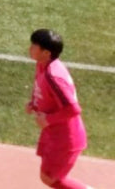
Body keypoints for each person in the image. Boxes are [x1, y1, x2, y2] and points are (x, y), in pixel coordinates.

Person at [26, 29, 88, 189]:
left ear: (46, 52)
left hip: (65, 137)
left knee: (50, 178)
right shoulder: (42, 65)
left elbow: (73, 109)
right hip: (54, 133)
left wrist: (47, 119)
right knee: (48, 176)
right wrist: (34, 102)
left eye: (34, 46)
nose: (30, 48)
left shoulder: (54, 76)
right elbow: (39, 85)